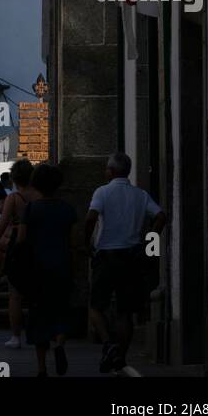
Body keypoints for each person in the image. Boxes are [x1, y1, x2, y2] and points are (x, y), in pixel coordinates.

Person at [85, 152, 167, 374]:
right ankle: (120, 356)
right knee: (126, 311)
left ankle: (108, 343)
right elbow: (161, 216)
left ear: (110, 171)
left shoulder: (102, 192)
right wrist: (149, 243)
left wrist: (86, 244)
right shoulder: (140, 195)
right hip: (132, 256)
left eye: (106, 168)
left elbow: (91, 218)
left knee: (95, 306)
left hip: (106, 254)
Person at [17, 163, 76, 378]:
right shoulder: (66, 209)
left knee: (39, 316)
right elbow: (71, 243)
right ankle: (59, 344)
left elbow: (22, 240)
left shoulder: (31, 209)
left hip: (37, 270)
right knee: (60, 310)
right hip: (61, 266)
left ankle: (42, 367)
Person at [0, 157, 39, 348]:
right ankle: (39, 332)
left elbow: (2, 224)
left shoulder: (13, 198)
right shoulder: (39, 196)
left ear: (14, 178)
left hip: (17, 246)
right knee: (37, 293)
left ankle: (16, 336)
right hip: (36, 244)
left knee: (15, 294)